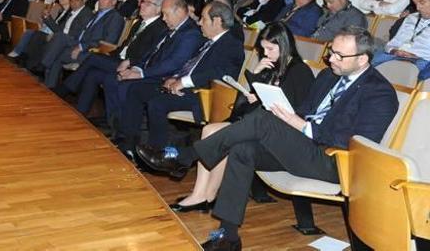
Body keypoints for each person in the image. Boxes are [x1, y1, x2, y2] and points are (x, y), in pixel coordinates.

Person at [138, 27, 397, 250]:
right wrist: (289, 115)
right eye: (332, 51)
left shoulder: (380, 93)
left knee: (262, 121)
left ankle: (184, 156)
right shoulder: (330, 75)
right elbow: (306, 108)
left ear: (363, 59)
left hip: (334, 161)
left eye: (340, 55)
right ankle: (228, 236)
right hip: (303, 146)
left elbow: (358, 143)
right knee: (243, 149)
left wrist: (300, 125)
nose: (331, 59)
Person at [170, 23, 313, 213]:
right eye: (263, 49)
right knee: (209, 130)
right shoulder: (271, 66)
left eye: (271, 48)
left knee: (217, 135)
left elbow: (300, 110)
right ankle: (203, 194)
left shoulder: (299, 71)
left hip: (279, 132)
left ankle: (205, 194)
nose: (266, 53)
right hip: (256, 122)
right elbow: (243, 105)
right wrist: (255, 74)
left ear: (285, 45)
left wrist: (261, 99)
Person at [117, 1, 244, 156]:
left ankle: (158, 153)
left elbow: (219, 74)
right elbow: (190, 65)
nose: (199, 22)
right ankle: (129, 143)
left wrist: (183, 82)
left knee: (157, 103)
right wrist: (175, 77)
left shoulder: (232, 45)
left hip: (203, 95)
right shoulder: (208, 41)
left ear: (217, 21)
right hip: (186, 87)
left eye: (203, 19)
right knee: (137, 89)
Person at [55, 0, 168, 115]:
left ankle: (64, 89)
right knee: (93, 73)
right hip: (118, 59)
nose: (142, 5)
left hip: (132, 65)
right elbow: (124, 46)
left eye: (148, 3)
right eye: (142, 2)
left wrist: (129, 61)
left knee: (93, 58)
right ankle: (80, 113)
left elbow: (150, 53)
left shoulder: (160, 28)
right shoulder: (138, 24)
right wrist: (110, 54)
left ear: (158, 9)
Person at [371, 0, 430, 80]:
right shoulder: (411, 18)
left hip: (421, 62)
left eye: (422, 2)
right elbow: (391, 44)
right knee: (364, 61)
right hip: (396, 56)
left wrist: (415, 56)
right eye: (415, 3)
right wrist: (394, 51)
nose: (418, 8)